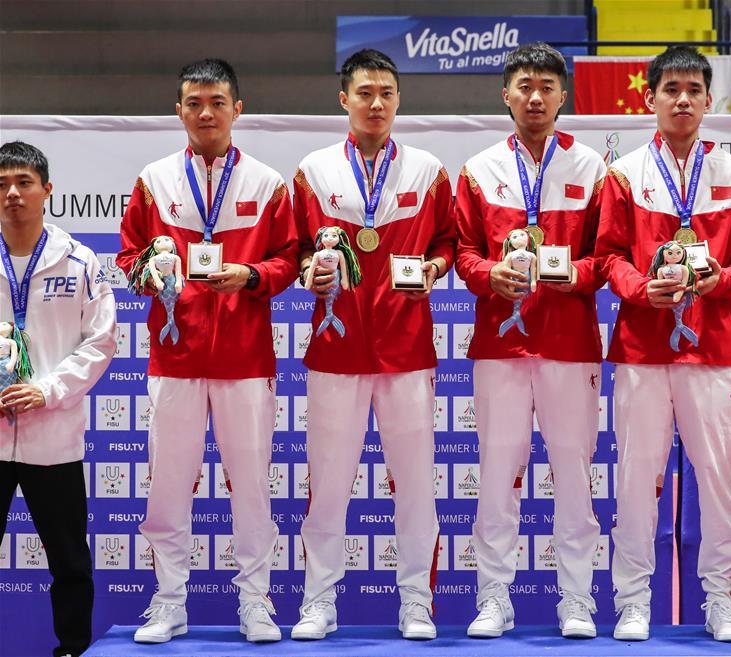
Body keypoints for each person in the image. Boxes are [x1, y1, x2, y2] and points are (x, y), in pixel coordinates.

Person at [117, 59, 299, 643]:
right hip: (176, 356)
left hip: (245, 361)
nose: (205, 113)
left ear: (237, 109)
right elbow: (127, 260)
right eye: (194, 102)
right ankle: (169, 601)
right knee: (168, 483)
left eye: (217, 101)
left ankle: (256, 602)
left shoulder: (268, 182)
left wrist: (248, 274)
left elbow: (288, 260)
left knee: (251, 484)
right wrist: (152, 268)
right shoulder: (153, 180)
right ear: (179, 111)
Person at [595, 45, 731, 642]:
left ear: (708, 99)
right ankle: (633, 602)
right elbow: (608, 257)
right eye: (671, 89)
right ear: (651, 99)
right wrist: (643, 290)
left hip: (713, 349)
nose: (683, 99)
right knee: (636, 480)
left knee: (720, 480)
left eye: (694, 89)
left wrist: (722, 280)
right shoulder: (623, 175)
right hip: (643, 349)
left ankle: (722, 599)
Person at [291, 48, 454, 641]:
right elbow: (300, 252)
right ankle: (318, 601)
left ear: (398, 99)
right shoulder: (313, 170)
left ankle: (417, 601)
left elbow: (448, 243)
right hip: (335, 348)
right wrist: (313, 271)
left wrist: (434, 269)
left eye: (386, 92)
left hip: (407, 349)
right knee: (328, 481)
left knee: (414, 481)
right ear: (344, 99)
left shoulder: (428, 169)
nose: (376, 102)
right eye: (365, 92)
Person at [455, 42, 606, 639]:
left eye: (547, 85)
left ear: (563, 95)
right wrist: (489, 274)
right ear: (506, 94)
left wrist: (577, 274)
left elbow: (608, 256)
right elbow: (462, 253)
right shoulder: (479, 169)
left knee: (574, 474)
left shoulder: (594, 168)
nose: (535, 96)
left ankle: (577, 600)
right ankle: (494, 597)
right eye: (524, 85)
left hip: (569, 343)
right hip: (500, 344)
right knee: (496, 474)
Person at [0, 140, 117, 657]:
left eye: (24, 183)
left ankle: (72, 649)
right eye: (2, 185)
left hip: (54, 437)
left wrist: (47, 390)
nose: (12, 194)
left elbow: (101, 340)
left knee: (69, 559)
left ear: (48, 191)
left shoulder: (79, 260)